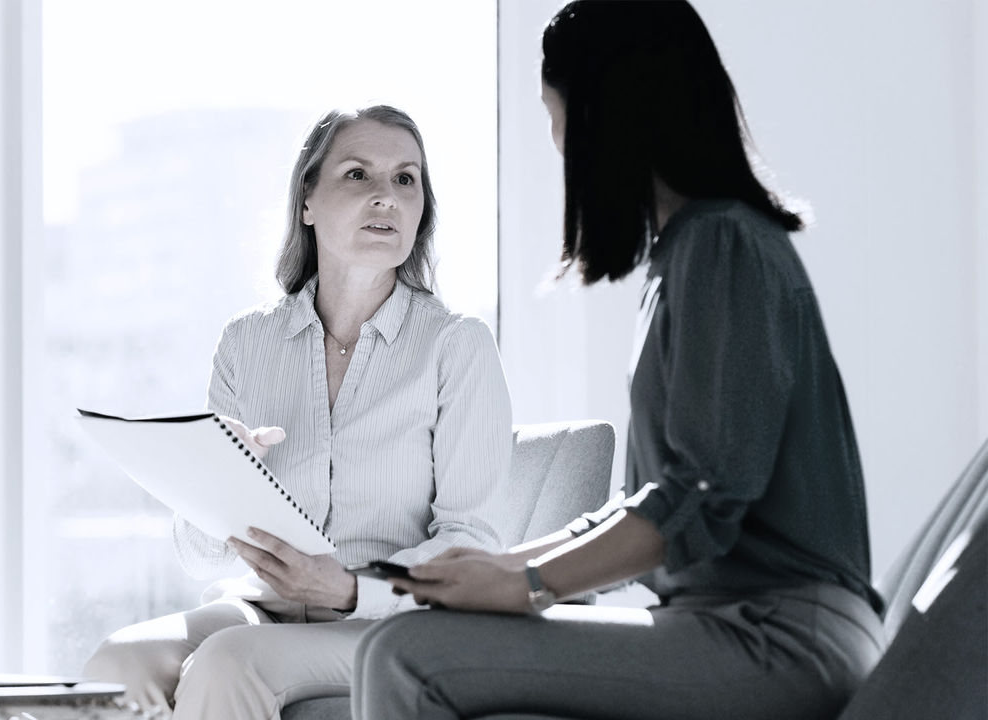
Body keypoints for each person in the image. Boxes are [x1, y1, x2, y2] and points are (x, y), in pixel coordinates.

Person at [353, 3, 885, 719]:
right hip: (736, 625)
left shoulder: (721, 246)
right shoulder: (690, 253)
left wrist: (529, 583)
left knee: (404, 655)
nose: (555, 140)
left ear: (610, 115)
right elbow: (658, 500)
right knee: (410, 638)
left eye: (556, 113)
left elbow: (698, 498)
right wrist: (502, 566)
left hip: (781, 640)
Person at [83, 105, 512, 719]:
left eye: (405, 179)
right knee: (115, 665)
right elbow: (200, 555)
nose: (386, 197)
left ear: (422, 209)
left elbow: (473, 545)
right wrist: (218, 476)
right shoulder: (247, 343)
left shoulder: (457, 346)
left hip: (390, 627)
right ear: (307, 200)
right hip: (261, 606)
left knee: (231, 662)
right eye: (358, 175)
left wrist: (348, 589)